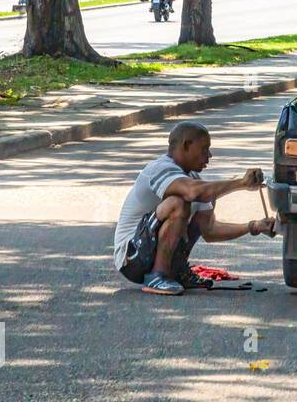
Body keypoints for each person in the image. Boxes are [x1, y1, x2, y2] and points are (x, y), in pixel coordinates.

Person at [113, 121, 276, 296]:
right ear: (186, 145)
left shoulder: (193, 179)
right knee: (179, 203)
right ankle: (157, 275)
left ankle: (176, 272)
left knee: (205, 198)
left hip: (148, 253)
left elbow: (210, 230)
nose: (209, 155)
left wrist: (254, 226)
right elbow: (192, 192)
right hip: (131, 258)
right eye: (205, 149)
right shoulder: (159, 169)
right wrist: (241, 183)